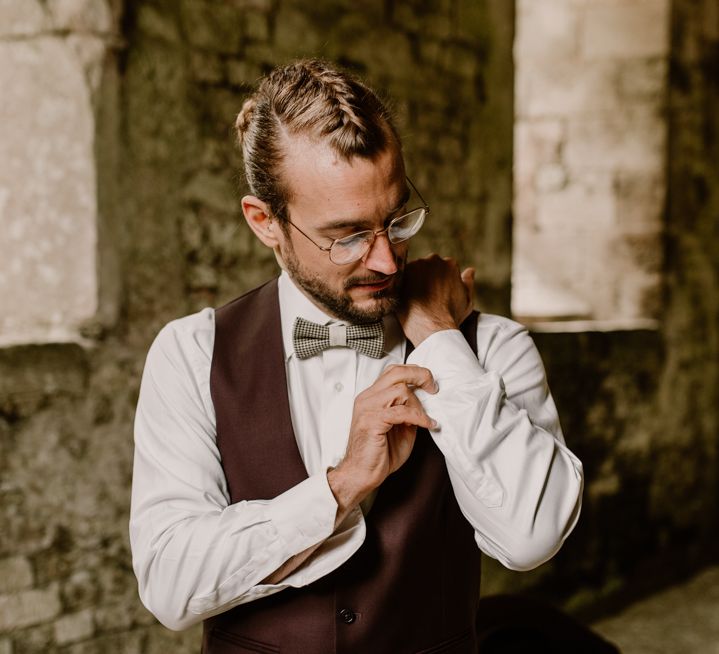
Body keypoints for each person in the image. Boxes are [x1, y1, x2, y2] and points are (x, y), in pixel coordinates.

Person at [130, 59, 584, 653]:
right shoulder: (191, 354)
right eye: (346, 235)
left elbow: (533, 535)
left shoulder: (491, 348)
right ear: (265, 222)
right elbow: (170, 584)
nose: (387, 262)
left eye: (396, 221)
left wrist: (441, 340)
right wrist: (339, 488)